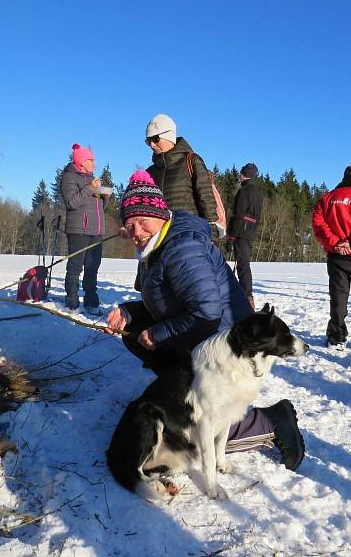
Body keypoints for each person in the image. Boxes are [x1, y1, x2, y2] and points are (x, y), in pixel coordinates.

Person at [105, 170, 305, 470]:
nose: (135, 230)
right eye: (129, 224)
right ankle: (180, 398)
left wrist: (159, 334)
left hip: (223, 344)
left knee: (194, 431)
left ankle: (271, 423)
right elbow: (169, 303)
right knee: (134, 330)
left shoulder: (182, 250)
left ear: (159, 215)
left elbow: (207, 311)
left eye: (141, 221)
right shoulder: (157, 246)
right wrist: (131, 311)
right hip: (201, 336)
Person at [312, 164, 351, 350]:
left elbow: (318, 223)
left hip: (337, 256)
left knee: (338, 297)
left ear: (344, 176)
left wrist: (335, 243)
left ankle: (336, 336)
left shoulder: (328, 198)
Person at [144, 113, 224, 240]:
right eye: (148, 141)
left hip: (189, 238)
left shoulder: (191, 161)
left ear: (169, 136)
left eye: (155, 138)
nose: (152, 145)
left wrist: (211, 235)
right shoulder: (149, 172)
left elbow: (206, 199)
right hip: (157, 241)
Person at [60, 143, 109, 315]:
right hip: (78, 229)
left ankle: (91, 302)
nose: (95, 163)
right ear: (81, 161)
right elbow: (71, 203)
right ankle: (71, 302)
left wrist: (104, 196)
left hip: (96, 230)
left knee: (92, 268)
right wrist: (90, 189)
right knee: (75, 267)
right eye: (91, 160)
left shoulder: (91, 179)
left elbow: (99, 208)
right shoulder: (69, 177)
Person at [226, 162, 263, 309]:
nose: (239, 176)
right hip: (251, 231)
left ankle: (247, 298)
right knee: (243, 264)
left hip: (241, 231)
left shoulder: (244, 191)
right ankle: (245, 296)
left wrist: (232, 236)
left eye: (240, 173)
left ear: (243, 174)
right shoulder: (259, 193)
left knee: (242, 265)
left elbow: (239, 215)